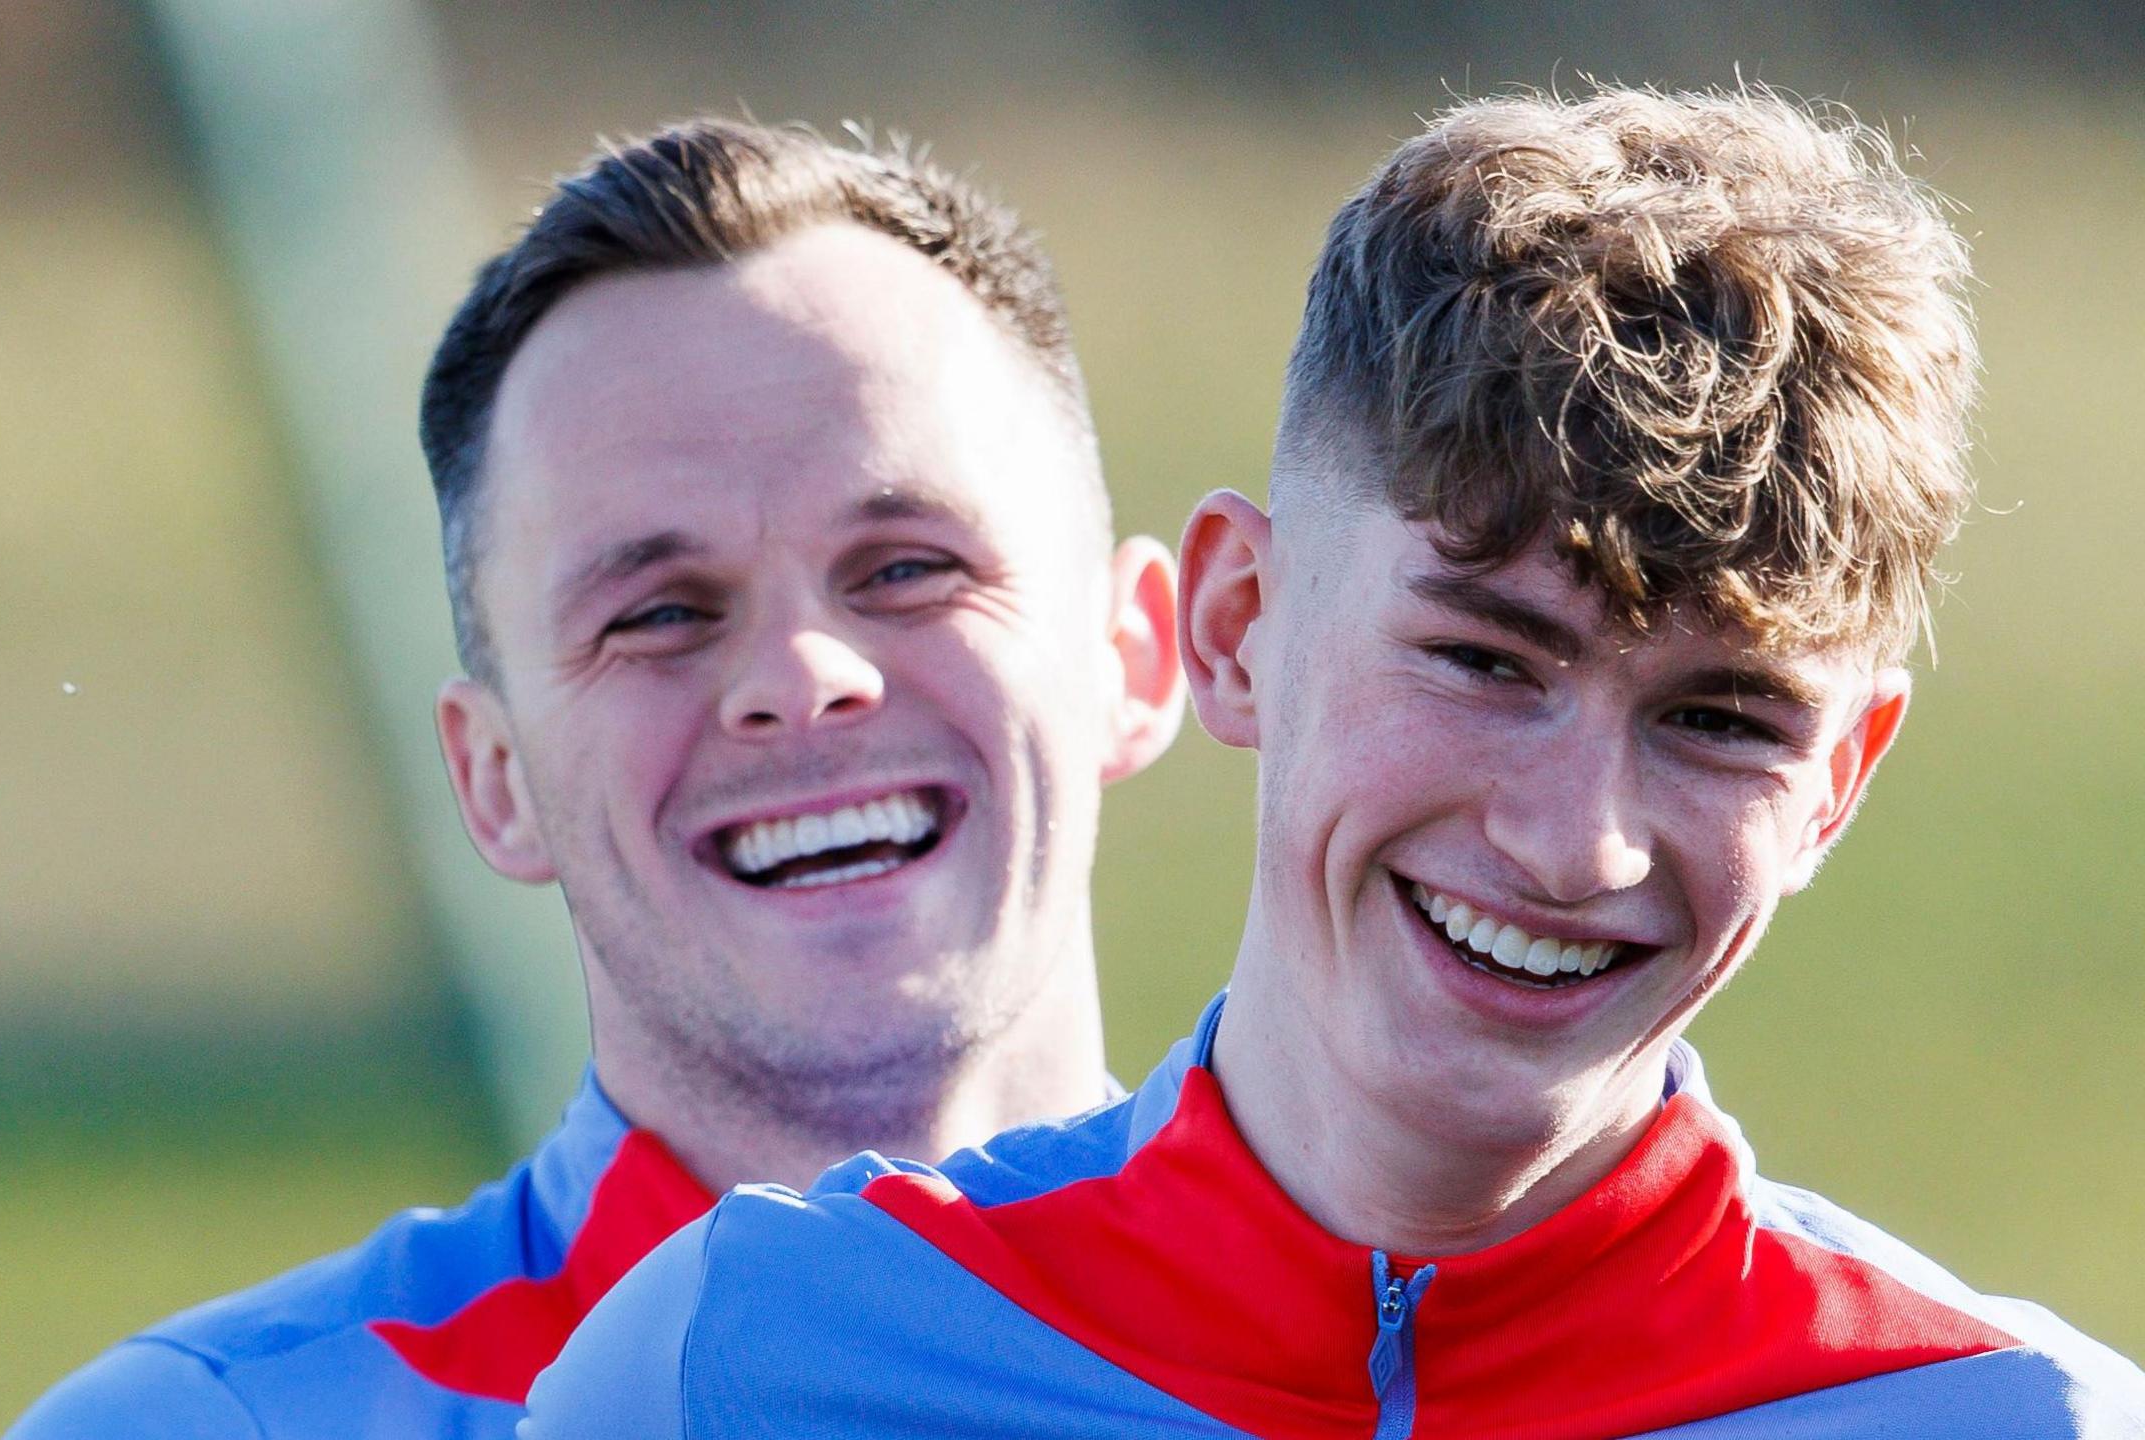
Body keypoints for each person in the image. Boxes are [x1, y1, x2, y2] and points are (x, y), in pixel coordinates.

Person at [524, 86, 2145, 1437]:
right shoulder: (734, 1374)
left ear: (1842, 783)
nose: (1577, 845)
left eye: (1720, 720)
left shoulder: (2007, 1419)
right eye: (1485, 661)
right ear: (1238, 623)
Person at [3, 119, 1184, 1439]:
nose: (799, 675)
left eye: (907, 567)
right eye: (662, 613)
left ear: (1134, 655)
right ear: (493, 777)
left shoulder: (1430, 1361)